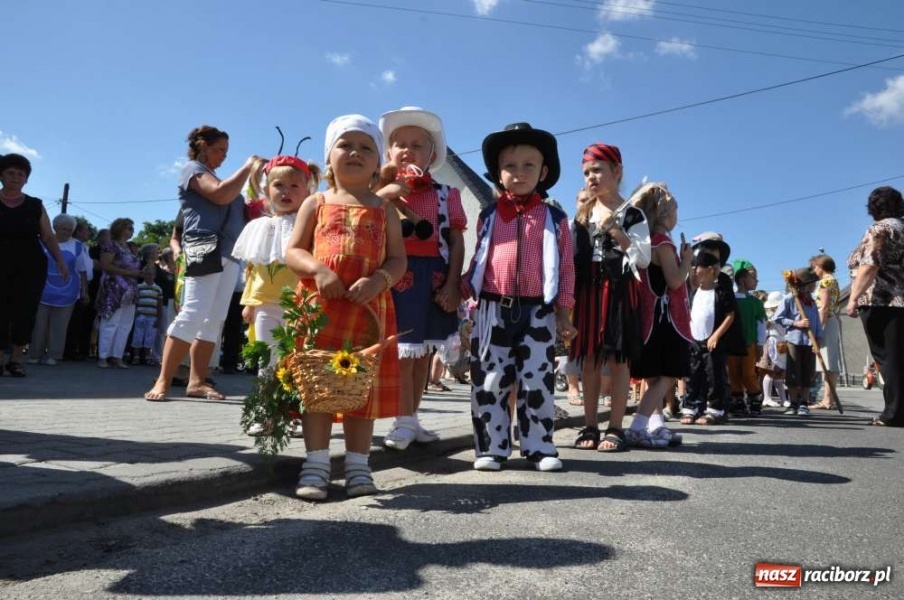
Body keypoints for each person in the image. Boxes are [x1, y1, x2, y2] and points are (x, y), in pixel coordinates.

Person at [285, 114, 406, 500]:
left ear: (376, 162)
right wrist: (317, 269)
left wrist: (377, 282)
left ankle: (358, 468)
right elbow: (293, 251)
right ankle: (316, 465)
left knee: (360, 393)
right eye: (345, 145)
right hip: (320, 309)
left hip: (369, 313)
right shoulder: (315, 202)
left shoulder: (385, 209)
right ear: (329, 157)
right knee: (318, 387)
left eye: (365, 147)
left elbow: (398, 261)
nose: (355, 152)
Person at [460, 122, 576, 472]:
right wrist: (464, 298)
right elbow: (479, 260)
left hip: (538, 310)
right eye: (510, 166)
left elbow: (567, 267)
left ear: (544, 172)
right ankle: (491, 448)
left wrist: (564, 313)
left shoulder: (554, 218)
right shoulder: (489, 215)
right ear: (498, 172)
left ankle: (539, 447)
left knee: (536, 380)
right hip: (493, 308)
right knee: (490, 380)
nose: (519, 172)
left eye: (529, 165)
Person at [375, 107, 467, 450]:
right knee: (402, 353)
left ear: (431, 155)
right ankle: (402, 419)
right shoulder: (378, 190)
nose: (407, 150)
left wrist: (453, 284)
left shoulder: (447, 194)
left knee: (421, 356)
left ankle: (410, 418)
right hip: (396, 274)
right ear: (388, 152)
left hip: (433, 276)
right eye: (400, 143)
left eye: (417, 145)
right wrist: (387, 190)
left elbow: (455, 240)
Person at [145, 125, 258, 401]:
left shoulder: (218, 178)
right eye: (219, 150)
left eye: (226, 152)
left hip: (230, 255)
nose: (223, 156)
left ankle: (196, 381)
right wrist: (247, 167)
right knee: (193, 312)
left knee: (214, 320)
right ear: (203, 146)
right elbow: (219, 194)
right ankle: (163, 380)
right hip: (204, 247)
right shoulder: (193, 170)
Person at [570, 143, 650, 452]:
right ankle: (589, 425)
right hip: (589, 290)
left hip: (619, 289)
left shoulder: (632, 213)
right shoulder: (582, 213)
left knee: (618, 360)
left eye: (598, 170)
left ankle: (616, 427)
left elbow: (643, 258)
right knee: (589, 359)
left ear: (617, 172)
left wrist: (616, 231)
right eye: (587, 172)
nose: (591, 177)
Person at [627, 183, 693, 447]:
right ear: (666, 214)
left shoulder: (643, 242)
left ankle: (656, 426)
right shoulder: (663, 242)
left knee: (653, 377)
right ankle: (638, 426)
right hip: (666, 321)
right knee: (668, 373)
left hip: (648, 319)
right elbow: (675, 281)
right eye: (675, 210)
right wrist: (687, 259)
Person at [0, 153, 69, 377]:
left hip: (29, 267)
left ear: (26, 179)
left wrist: (60, 261)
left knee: (24, 312)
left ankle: (16, 360)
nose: (16, 177)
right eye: (11, 172)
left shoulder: (35, 205)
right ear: (2, 175)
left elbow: (48, 236)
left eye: (21, 174)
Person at [846, 186, 904, 427]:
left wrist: (852, 298)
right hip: (899, 300)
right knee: (898, 356)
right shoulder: (901, 227)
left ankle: (894, 413)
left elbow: (869, 266)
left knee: (887, 357)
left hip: (882, 300)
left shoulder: (880, 229)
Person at [680, 251, 737, 425]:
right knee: (693, 374)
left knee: (714, 375)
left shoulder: (721, 291)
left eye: (698, 267)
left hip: (713, 341)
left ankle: (716, 409)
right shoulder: (694, 292)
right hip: (694, 340)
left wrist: (716, 335)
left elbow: (730, 315)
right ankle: (691, 407)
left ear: (710, 269)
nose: (695, 270)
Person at [27, 214, 92, 365]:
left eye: (70, 230)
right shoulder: (43, 241)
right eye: (63, 229)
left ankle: (54, 355)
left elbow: (82, 271)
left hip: (68, 293)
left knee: (60, 325)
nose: (67, 232)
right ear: (55, 227)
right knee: (39, 324)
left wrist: (85, 292)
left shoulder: (77, 246)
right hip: (42, 290)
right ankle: (35, 354)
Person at [772, 267, 823, 417]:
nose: (814, 285)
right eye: (812, 282)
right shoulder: (789, 298)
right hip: (794, 341)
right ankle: (793, 403)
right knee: (793, 373)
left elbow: (817, 324)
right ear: (804, 284)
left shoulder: (811, 302)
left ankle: (804, 403)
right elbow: (777, 318)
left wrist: (818, 340)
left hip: (810, 342)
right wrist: (796, 323)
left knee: (808, 374)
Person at [95, 218, 141, 368]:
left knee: (125, 324)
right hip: (114, 289)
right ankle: (103, 356)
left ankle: (117, 356)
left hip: (130, 290)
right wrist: (131, 272)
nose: (132, 231)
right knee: (111, 322)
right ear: (120, 228)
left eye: (132, 228)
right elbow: (106, 266)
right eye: (129, 228)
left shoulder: (128, 248)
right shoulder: (110, 245)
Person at [727, 259, 768, 415]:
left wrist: (760, 344)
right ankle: (737, 401)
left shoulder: (755, 303)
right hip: (731, 343)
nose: (756, 281)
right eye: (753, 278)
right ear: (742, 280)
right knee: (733, 372)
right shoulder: (730, 299)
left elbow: (761, 324)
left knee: (748, 373)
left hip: (749, 343)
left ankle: (754, 398)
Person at [809, 253, 842, 410]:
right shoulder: (833, 280)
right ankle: (828, 399)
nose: (813, 270)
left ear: (820, 266)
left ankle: (827, 400)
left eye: (814, 266)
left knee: (828, 362)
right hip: (832, 319)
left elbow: (823, 307)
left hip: (826, 321)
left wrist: (818, 330)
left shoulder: (825, 282)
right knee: (829, 361)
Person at [757, 291, 788, 409]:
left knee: (779, 373)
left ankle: (783, 399)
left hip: (781, 343)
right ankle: (767, 398)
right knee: (770, 371)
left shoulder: (782, 316)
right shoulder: (769, 317)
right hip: (772, 343)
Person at [130, 264, 163, 366]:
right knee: (138, 336)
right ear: (143, 275)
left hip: (152, 317)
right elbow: (134, 301)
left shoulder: (158, 289)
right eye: (147, 274)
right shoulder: (139, 287)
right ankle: (136, 356)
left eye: (151, 275)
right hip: (141, 315)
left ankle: (147, 357)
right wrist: (135, 313)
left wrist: (159, 318)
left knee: (150, 337)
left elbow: (159, 305)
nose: (149, 276)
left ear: (154, 276)